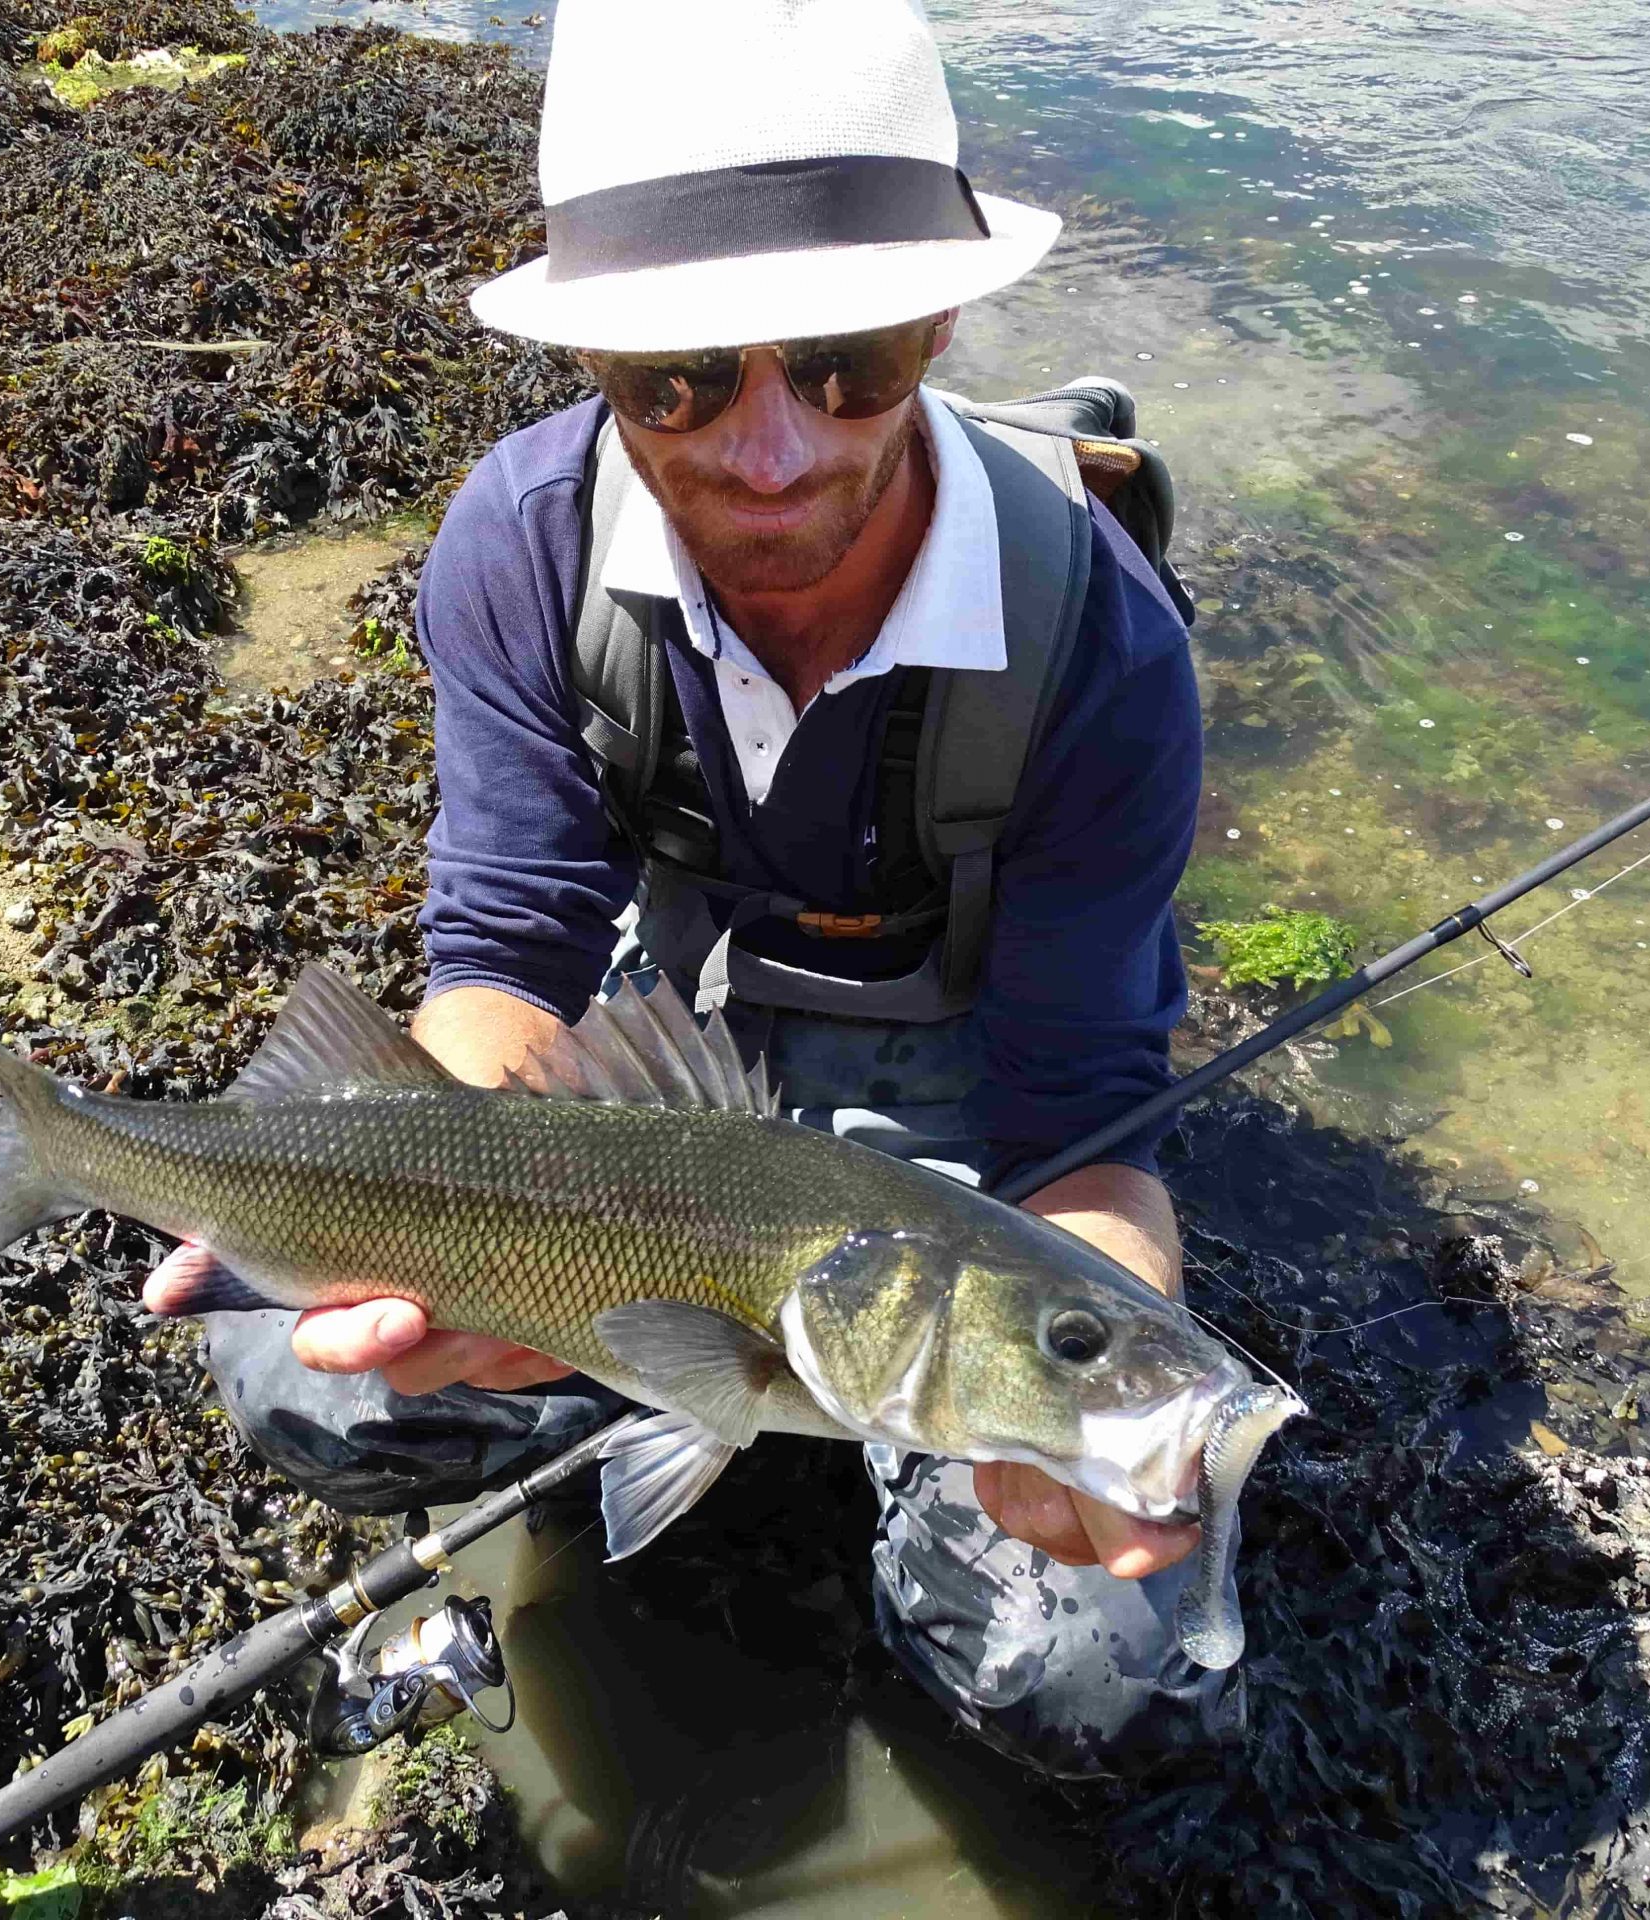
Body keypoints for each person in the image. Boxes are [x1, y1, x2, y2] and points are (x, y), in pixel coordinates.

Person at [176, 0, 1227, 1777]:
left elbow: (1086, 1121)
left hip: (970, 1091)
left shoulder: (1103, 649)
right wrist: (469, 1249)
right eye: (676, 380)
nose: (768, 454)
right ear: (589, 362)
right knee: (309, 1368)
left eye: (842, 363)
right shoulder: (521, 544)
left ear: (940, 320)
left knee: (1100, 1683)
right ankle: (669, 1416)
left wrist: (1099, 1396)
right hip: (678, 1075)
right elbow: (504, 951)